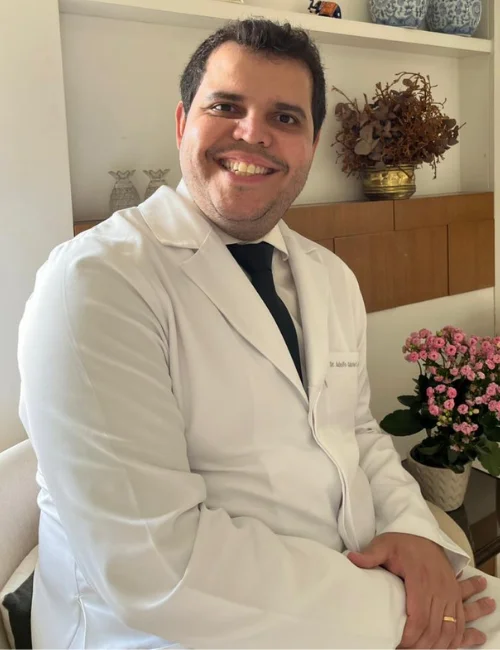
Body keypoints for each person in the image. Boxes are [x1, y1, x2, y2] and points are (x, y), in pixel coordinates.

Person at [17, 18, 500, 649]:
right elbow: (158, 569)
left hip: (343, 584)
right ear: (182, 123)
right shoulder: (97, 283)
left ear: (312, 144)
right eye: (226, 106)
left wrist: (417, 535)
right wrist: (407, 611)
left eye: (285, 117)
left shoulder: (330, 277)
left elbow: (357, 434)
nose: (253, 133)